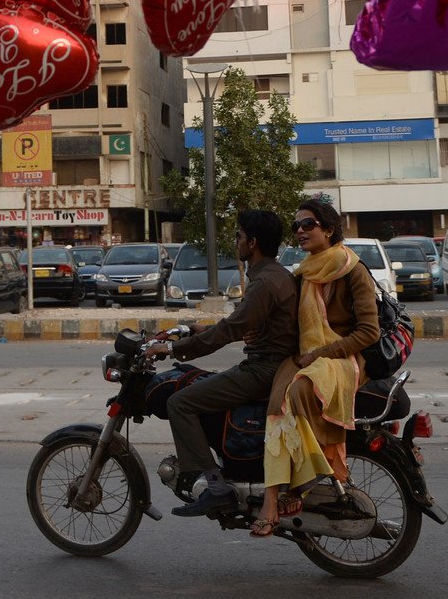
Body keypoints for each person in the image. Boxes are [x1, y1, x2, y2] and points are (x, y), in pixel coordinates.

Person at [145, 209, 297, 518]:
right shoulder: (276, 275)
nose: (236, 241)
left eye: (239, 236)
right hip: (274, 365)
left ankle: (216, 488)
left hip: (264, 371)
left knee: (180, 403)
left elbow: (231, 331)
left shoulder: (264, 282)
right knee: (195, 381)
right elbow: (244, 323)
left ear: (252, 242)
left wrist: (173, 349)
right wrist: (202, 329)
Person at [252, 198, 379, 538]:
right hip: (307, 355)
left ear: (329, 229)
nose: (299, 231)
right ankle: (271, 496)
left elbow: (369, 331)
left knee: (300, 391)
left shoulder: (353, 270)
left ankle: (300, 485)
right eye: (295, 226)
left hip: (343, 358)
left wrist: (322, 352)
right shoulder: (304, 272)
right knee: (276, 406)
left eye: (307, 224)